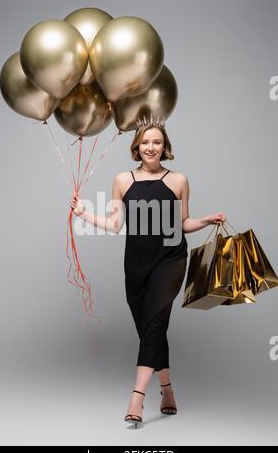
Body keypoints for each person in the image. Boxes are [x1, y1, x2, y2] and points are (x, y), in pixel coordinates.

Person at [70, 119, 226, 428]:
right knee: (151, 329)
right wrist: (84, 213)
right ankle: (167, 389)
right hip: (136, 263)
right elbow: (116, 225)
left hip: (171, 260)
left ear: (165, 147)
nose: (151, 147)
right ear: (137, 147)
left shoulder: (178, 180)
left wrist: (207, 220)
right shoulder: (122, 180)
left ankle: (136, 397)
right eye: (145, 142)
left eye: (156, 142)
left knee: (154, 323)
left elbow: (182, 224)